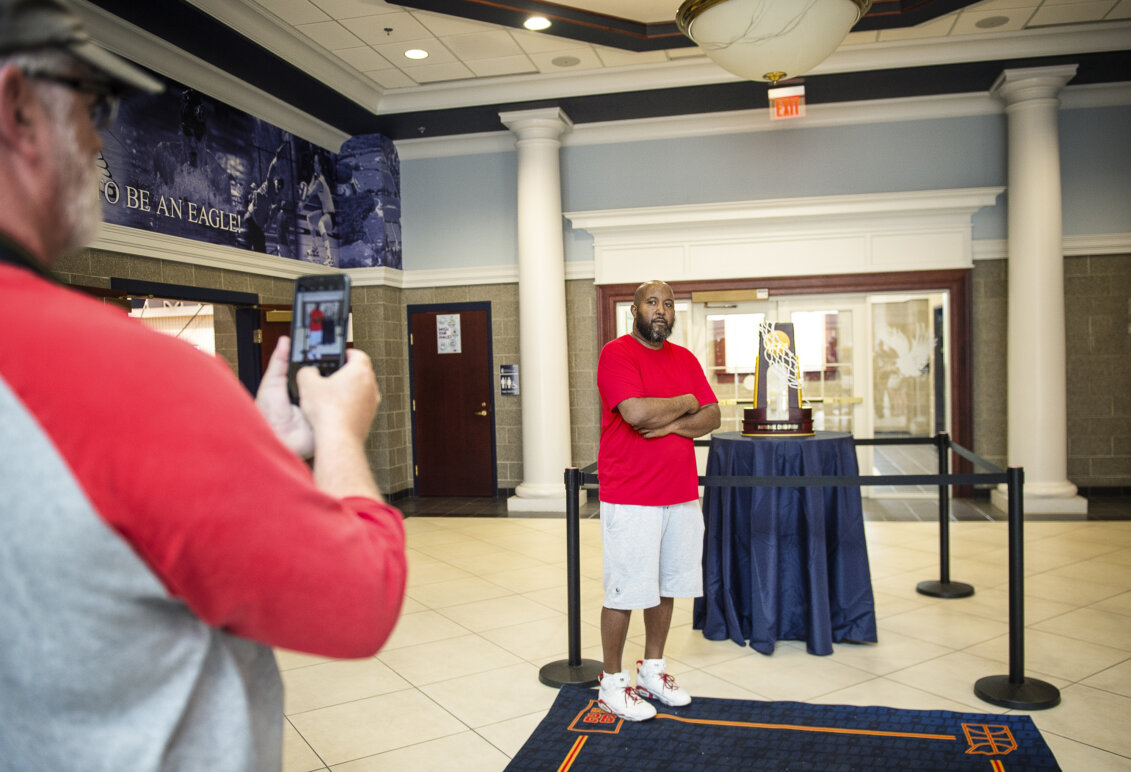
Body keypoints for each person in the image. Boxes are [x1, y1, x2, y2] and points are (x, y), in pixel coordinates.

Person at [0, 1, 407, 769]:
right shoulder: (128, 375)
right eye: (94, 107)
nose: (97, 140)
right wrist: (342, 438)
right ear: (17, 107)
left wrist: (257, 451)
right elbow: (359, 601)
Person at [595, 280, 721, 721]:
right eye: (652, 302)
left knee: (668, 585)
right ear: (634, 310)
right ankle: (611, 682)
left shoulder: (684, 358)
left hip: (681, 493)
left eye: (668, 304)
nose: (661, 310)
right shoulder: (617, 354)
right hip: (631, 494)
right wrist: (686, 401)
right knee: (626, 588)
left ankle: (652, 670)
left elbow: (712, 415)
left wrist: (670, 423)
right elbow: (634, 412)